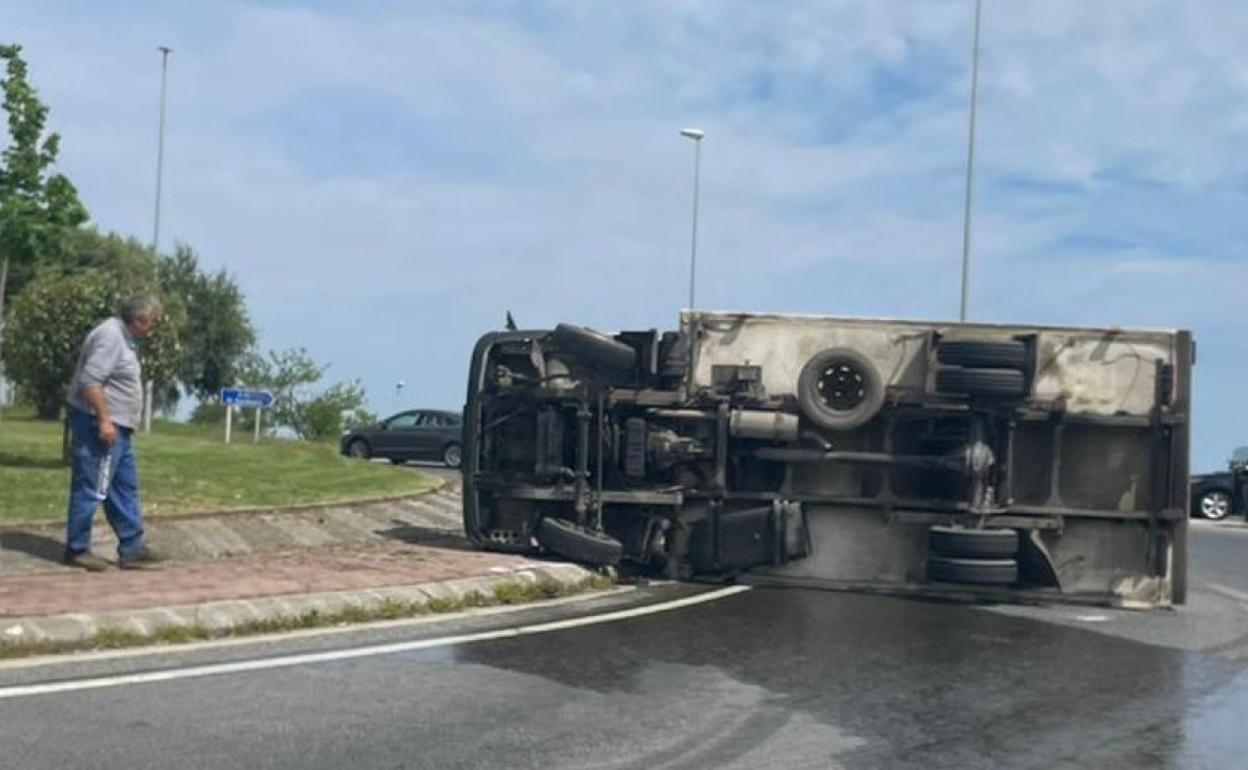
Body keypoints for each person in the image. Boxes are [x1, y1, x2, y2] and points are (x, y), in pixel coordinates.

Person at [62, 294, 164, 571]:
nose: (152, 329)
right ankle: (77, 548)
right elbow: (90, 382)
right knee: (93, 486)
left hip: (120, 427)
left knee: (124, 487)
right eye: (151, 323)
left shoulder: (123, 337)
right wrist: (105, 420)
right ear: (139, 319)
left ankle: (131, 546)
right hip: (101, 425)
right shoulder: (110, 337)